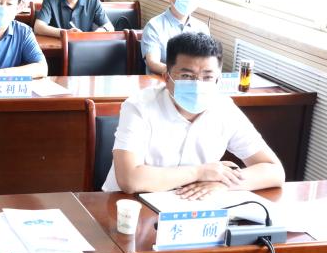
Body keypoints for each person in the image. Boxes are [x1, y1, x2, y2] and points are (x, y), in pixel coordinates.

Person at [102, 33, 284, 198]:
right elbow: (130, 179)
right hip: (129, 204)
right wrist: (200, 172)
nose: (198, 85)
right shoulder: (139, 107)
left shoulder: (225, 109)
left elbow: (274, 171)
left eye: (208, 77)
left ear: (218, 80)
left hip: (192, 203)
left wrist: (224, 183)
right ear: (166, 77)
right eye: (187, 76)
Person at [142, 0, 210, 74]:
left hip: (194, 80)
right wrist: (180, 74)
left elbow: (207, 61)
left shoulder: (202, 28)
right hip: (163, 80)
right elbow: (153, 63)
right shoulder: (154, 26)